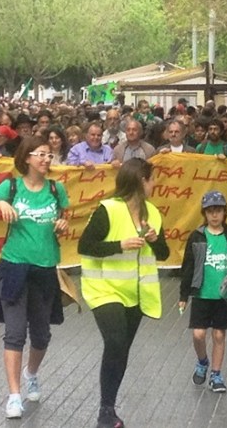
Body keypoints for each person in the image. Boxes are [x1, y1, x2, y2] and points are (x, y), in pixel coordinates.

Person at [0, 135, 70, 419]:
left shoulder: (56, 189)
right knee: (15, 333)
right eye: (41, 154)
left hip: (45, 268)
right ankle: (14, 396)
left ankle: (32, 373)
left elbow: (65, 219)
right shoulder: (10, 186)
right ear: (27, 157)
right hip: (14, 267)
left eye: (49, 155)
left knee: (41, 335)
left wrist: (63, 224)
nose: (46, 159)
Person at [78, 159, 170, 428]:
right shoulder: (108, 209)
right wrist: (120, 244)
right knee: (116, 342)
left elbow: (163, 254)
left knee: (121, 350)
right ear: (142, 181)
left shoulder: (154, 214)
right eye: (152, 179)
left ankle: (108, 409)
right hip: (103, 289)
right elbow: (85, 246)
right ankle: (105, 411)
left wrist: (155, 240)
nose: (155, 184)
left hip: (135, 293)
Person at [178, 191, 227, 393]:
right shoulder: (197, 237)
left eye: (218, 211)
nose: (215, 215)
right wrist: (183, 295)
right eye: (210, 211)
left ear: (225, 212)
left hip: (223, 296)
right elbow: (188, 266)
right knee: (198, 334)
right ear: (204, 214)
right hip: (202, 294)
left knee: (219, 335)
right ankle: (202, 361)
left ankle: (216, 374)